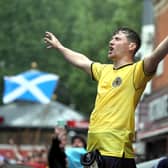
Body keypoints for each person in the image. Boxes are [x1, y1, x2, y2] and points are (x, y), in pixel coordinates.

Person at [44, 27, 168, 168]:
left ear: (131, 46)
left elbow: (156, 56)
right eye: (112, 38)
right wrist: (60, 47)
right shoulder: (104, 70)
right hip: (94, 153)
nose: (111, 42)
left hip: (116, 153)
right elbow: (81, 61)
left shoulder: (137, 72)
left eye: (117, 39)